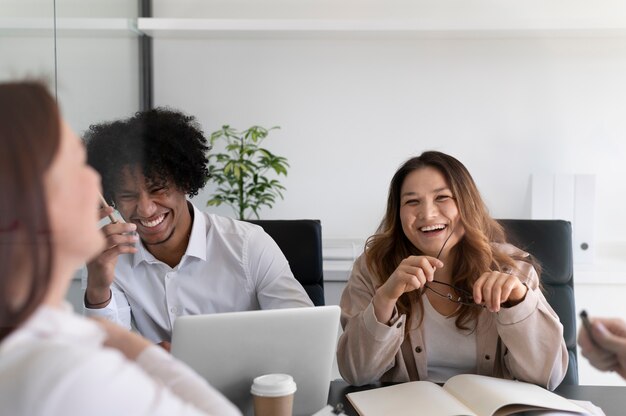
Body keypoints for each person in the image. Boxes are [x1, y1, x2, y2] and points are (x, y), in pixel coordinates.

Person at [0, 81, 241, 415]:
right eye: (75, 166)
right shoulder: (65, 372)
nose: (95, 183)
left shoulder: (43, 337)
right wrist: (135, 348)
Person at [337, 151, 568, 390]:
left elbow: (548, 377)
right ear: (398, 213)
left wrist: (518, 303)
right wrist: (385, 299)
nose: (427, 214)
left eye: (442, 198)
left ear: (466, 204)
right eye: (412, 201)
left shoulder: (512, 267)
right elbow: (356, 373)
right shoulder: (371, 268)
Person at [82, 108, 312, 347]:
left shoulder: (248, 245)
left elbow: (304, 335)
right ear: (112, 199)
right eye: (128, 196)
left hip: (247, 384)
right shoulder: (109, 259)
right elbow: (107, 356)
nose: (145, 210)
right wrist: (98, 289)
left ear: (185, 181)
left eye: (157, 189)